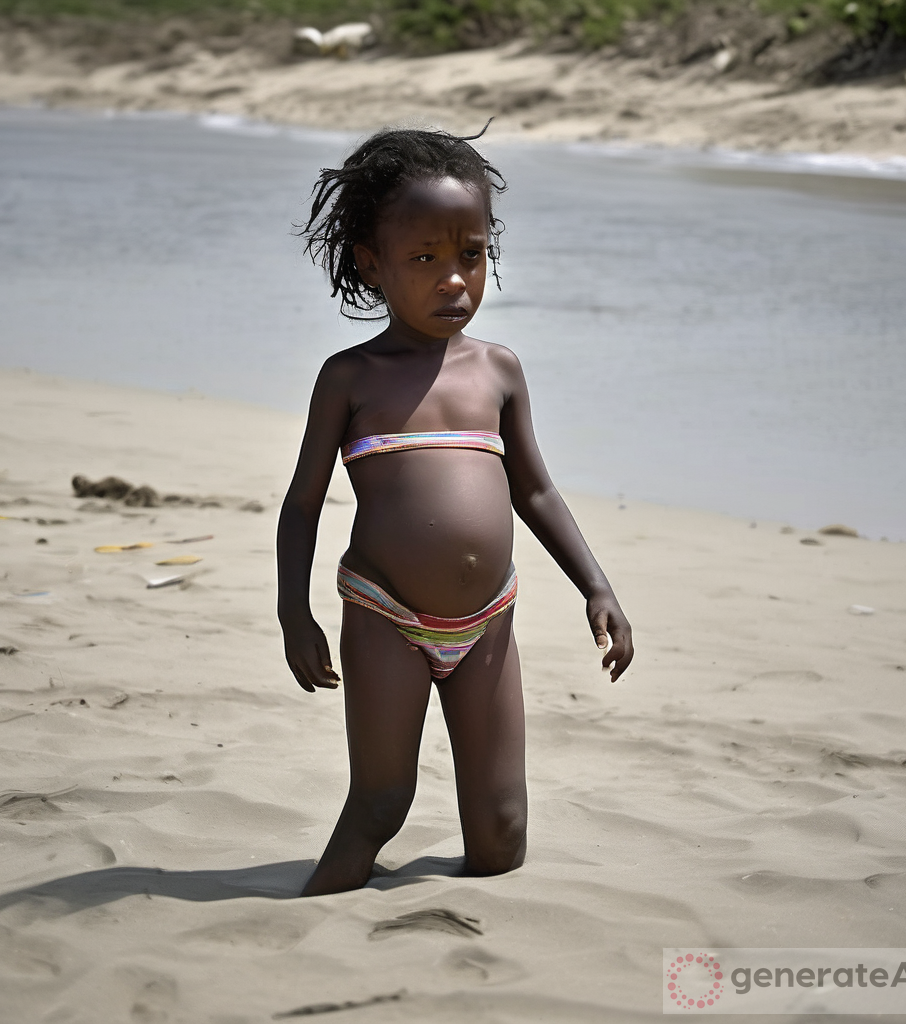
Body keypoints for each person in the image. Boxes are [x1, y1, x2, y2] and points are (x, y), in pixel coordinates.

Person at [278, 126, 633, 897]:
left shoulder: (499, 370)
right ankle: (302, 918)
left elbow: (535, 490)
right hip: (386, 616)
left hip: (489, 620)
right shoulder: (352, 377)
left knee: (503, 838)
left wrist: (596, 587)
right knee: (380, 805)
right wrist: (291, 613)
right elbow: (303, 502)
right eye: (425, 260)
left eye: (470, 254)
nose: (454, 282)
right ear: (370, 264)